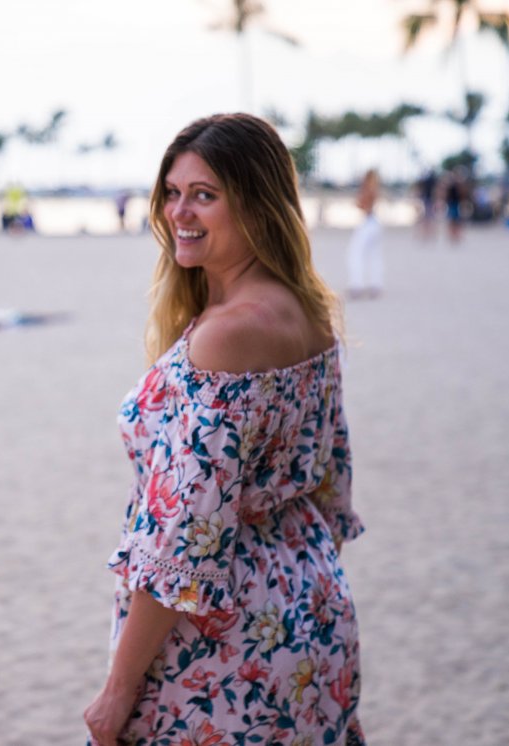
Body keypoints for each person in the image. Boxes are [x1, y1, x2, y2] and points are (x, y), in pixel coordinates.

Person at [83, 114, 366, 746]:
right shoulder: (307, 310)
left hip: (225, 641)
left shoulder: (228, 334)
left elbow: (183, 538)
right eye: (174, 192)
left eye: (205, 195)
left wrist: (118, 689)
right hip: (312, 608)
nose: (180, 211)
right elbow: (332, 481)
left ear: (258, 205)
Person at [346, 169, 382, 300]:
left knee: (355, 253)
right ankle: (375, 284)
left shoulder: (367, 189)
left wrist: (357, 203)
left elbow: (362, 205)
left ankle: (357, 285)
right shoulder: (375, 188)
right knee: (374, 255)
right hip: (375, 223)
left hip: (367, 222)